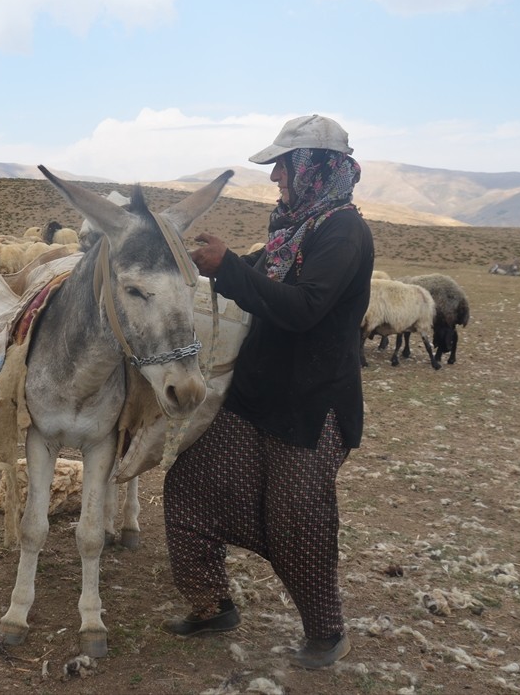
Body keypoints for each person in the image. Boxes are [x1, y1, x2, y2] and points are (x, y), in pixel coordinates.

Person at [162, 114, 373, 669]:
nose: (276, 176)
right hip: (254, 398)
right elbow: (257, 273)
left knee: (296, 519)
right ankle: (212, 607)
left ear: (314, 168)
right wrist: (193, 263)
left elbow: (304, 308)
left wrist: (229, 266)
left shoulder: (342, 231)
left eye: (284, 165)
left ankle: (327, 634)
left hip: (309, 407)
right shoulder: (292, 229)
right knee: (190, 486)